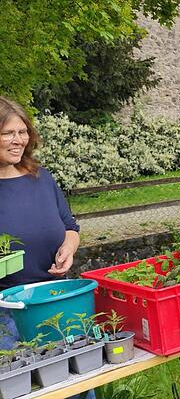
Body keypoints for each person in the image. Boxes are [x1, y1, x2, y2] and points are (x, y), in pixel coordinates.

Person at [0, 97, 94, 399]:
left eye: (22, 131)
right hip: (8, 313)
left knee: (76, 387)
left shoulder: (41, 178)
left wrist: (68, 247)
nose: (18, 140)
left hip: (57, 303)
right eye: (8, 133)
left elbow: (71, 227)